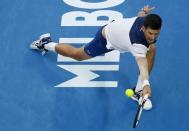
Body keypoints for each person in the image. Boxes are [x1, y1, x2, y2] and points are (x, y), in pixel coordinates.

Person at [30, 5, 162, 110]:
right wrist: (146, 83)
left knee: (152, 49)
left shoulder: (144, 21)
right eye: (150, 33)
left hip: (120, 35)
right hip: (105, 39)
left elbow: (141, 16)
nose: (153, 37)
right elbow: (142, 64)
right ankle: (46, 44)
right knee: (77, 55)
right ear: (143, 29)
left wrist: (143, 11)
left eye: (156, 34)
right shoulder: (137, 43)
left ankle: (138, 92)